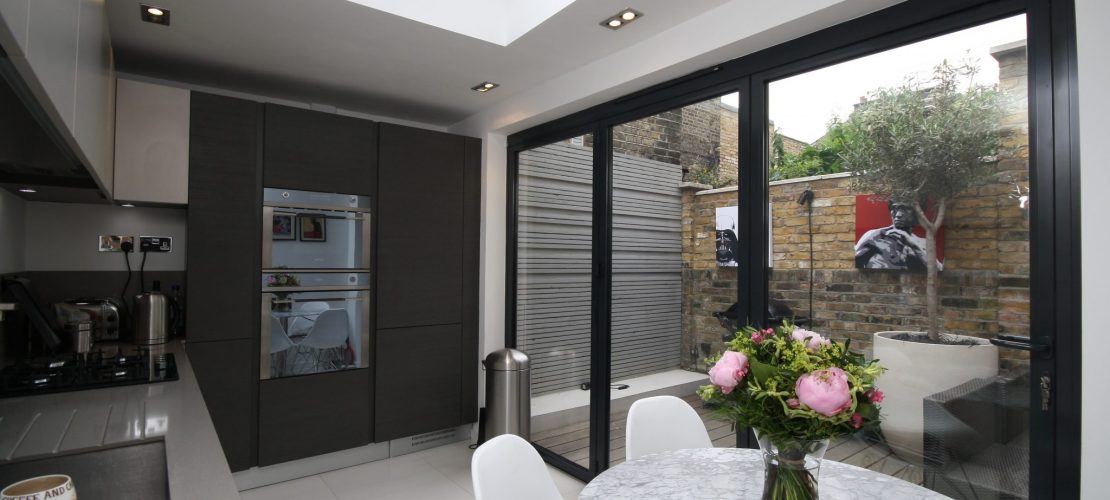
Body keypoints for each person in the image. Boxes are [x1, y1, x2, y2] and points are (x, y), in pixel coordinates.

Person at [854, 201, 942, 271]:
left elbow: (937, 270)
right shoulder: (876, 236)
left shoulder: (922, 243)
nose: (898, 215)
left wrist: (913, 245)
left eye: (905, 209)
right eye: (895, 209)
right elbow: (852, 261)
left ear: (917, 213)